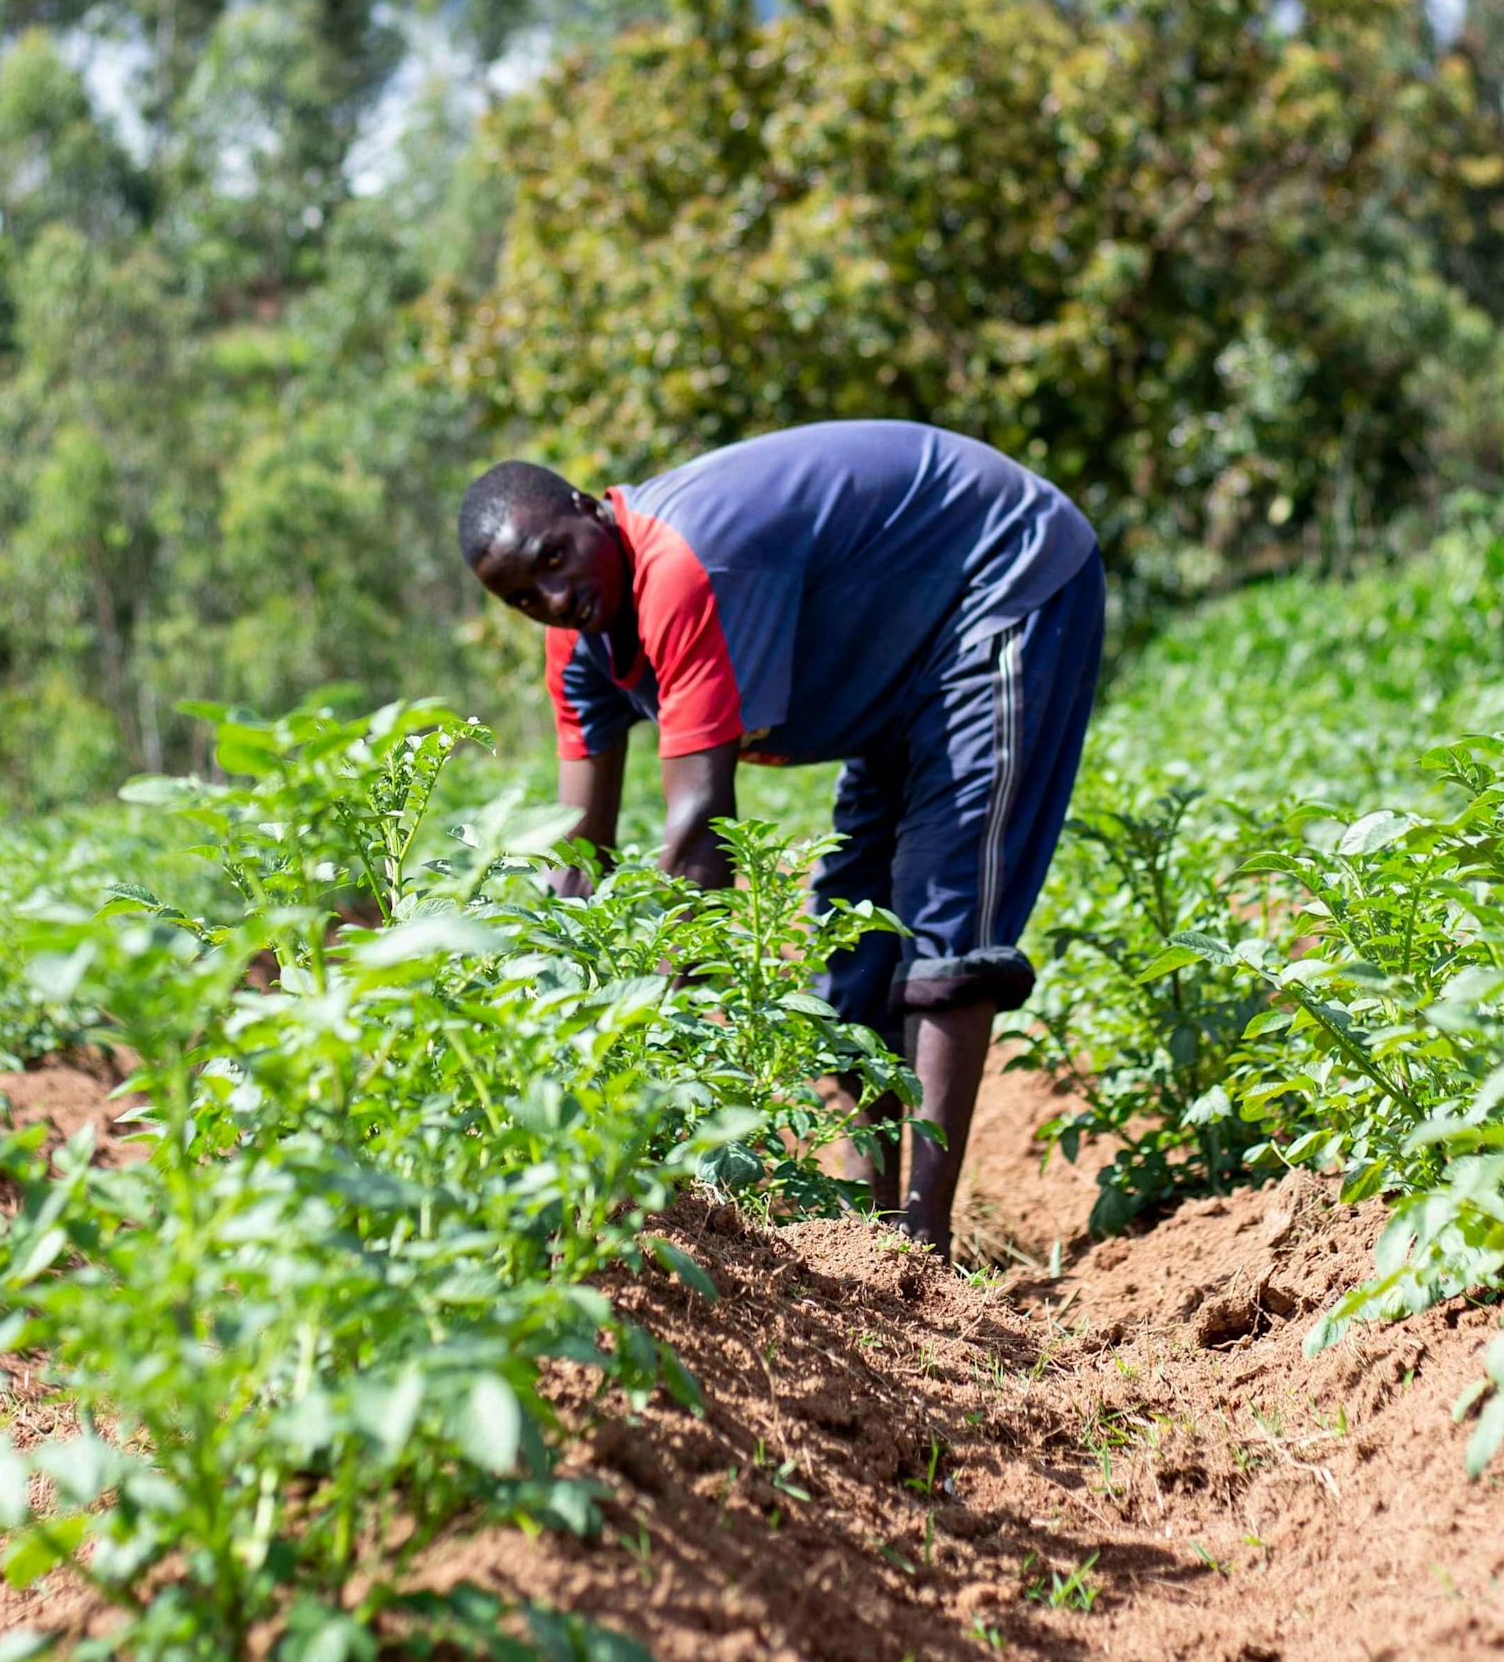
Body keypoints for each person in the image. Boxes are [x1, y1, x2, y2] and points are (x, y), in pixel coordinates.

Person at [457, 420, 1105, 1259]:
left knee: (946, 913)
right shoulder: (579, 643)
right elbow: (579, 861)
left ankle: (925, 1247)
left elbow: (700, 838)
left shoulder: (681, 569)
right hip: (900, 657)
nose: (551, 596)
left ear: (590, 510)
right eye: (521, 597)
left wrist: (650, 1038)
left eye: (553, 557)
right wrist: (548, 1008)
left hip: (999, 575)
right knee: (859, 930)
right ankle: (879, 1240)